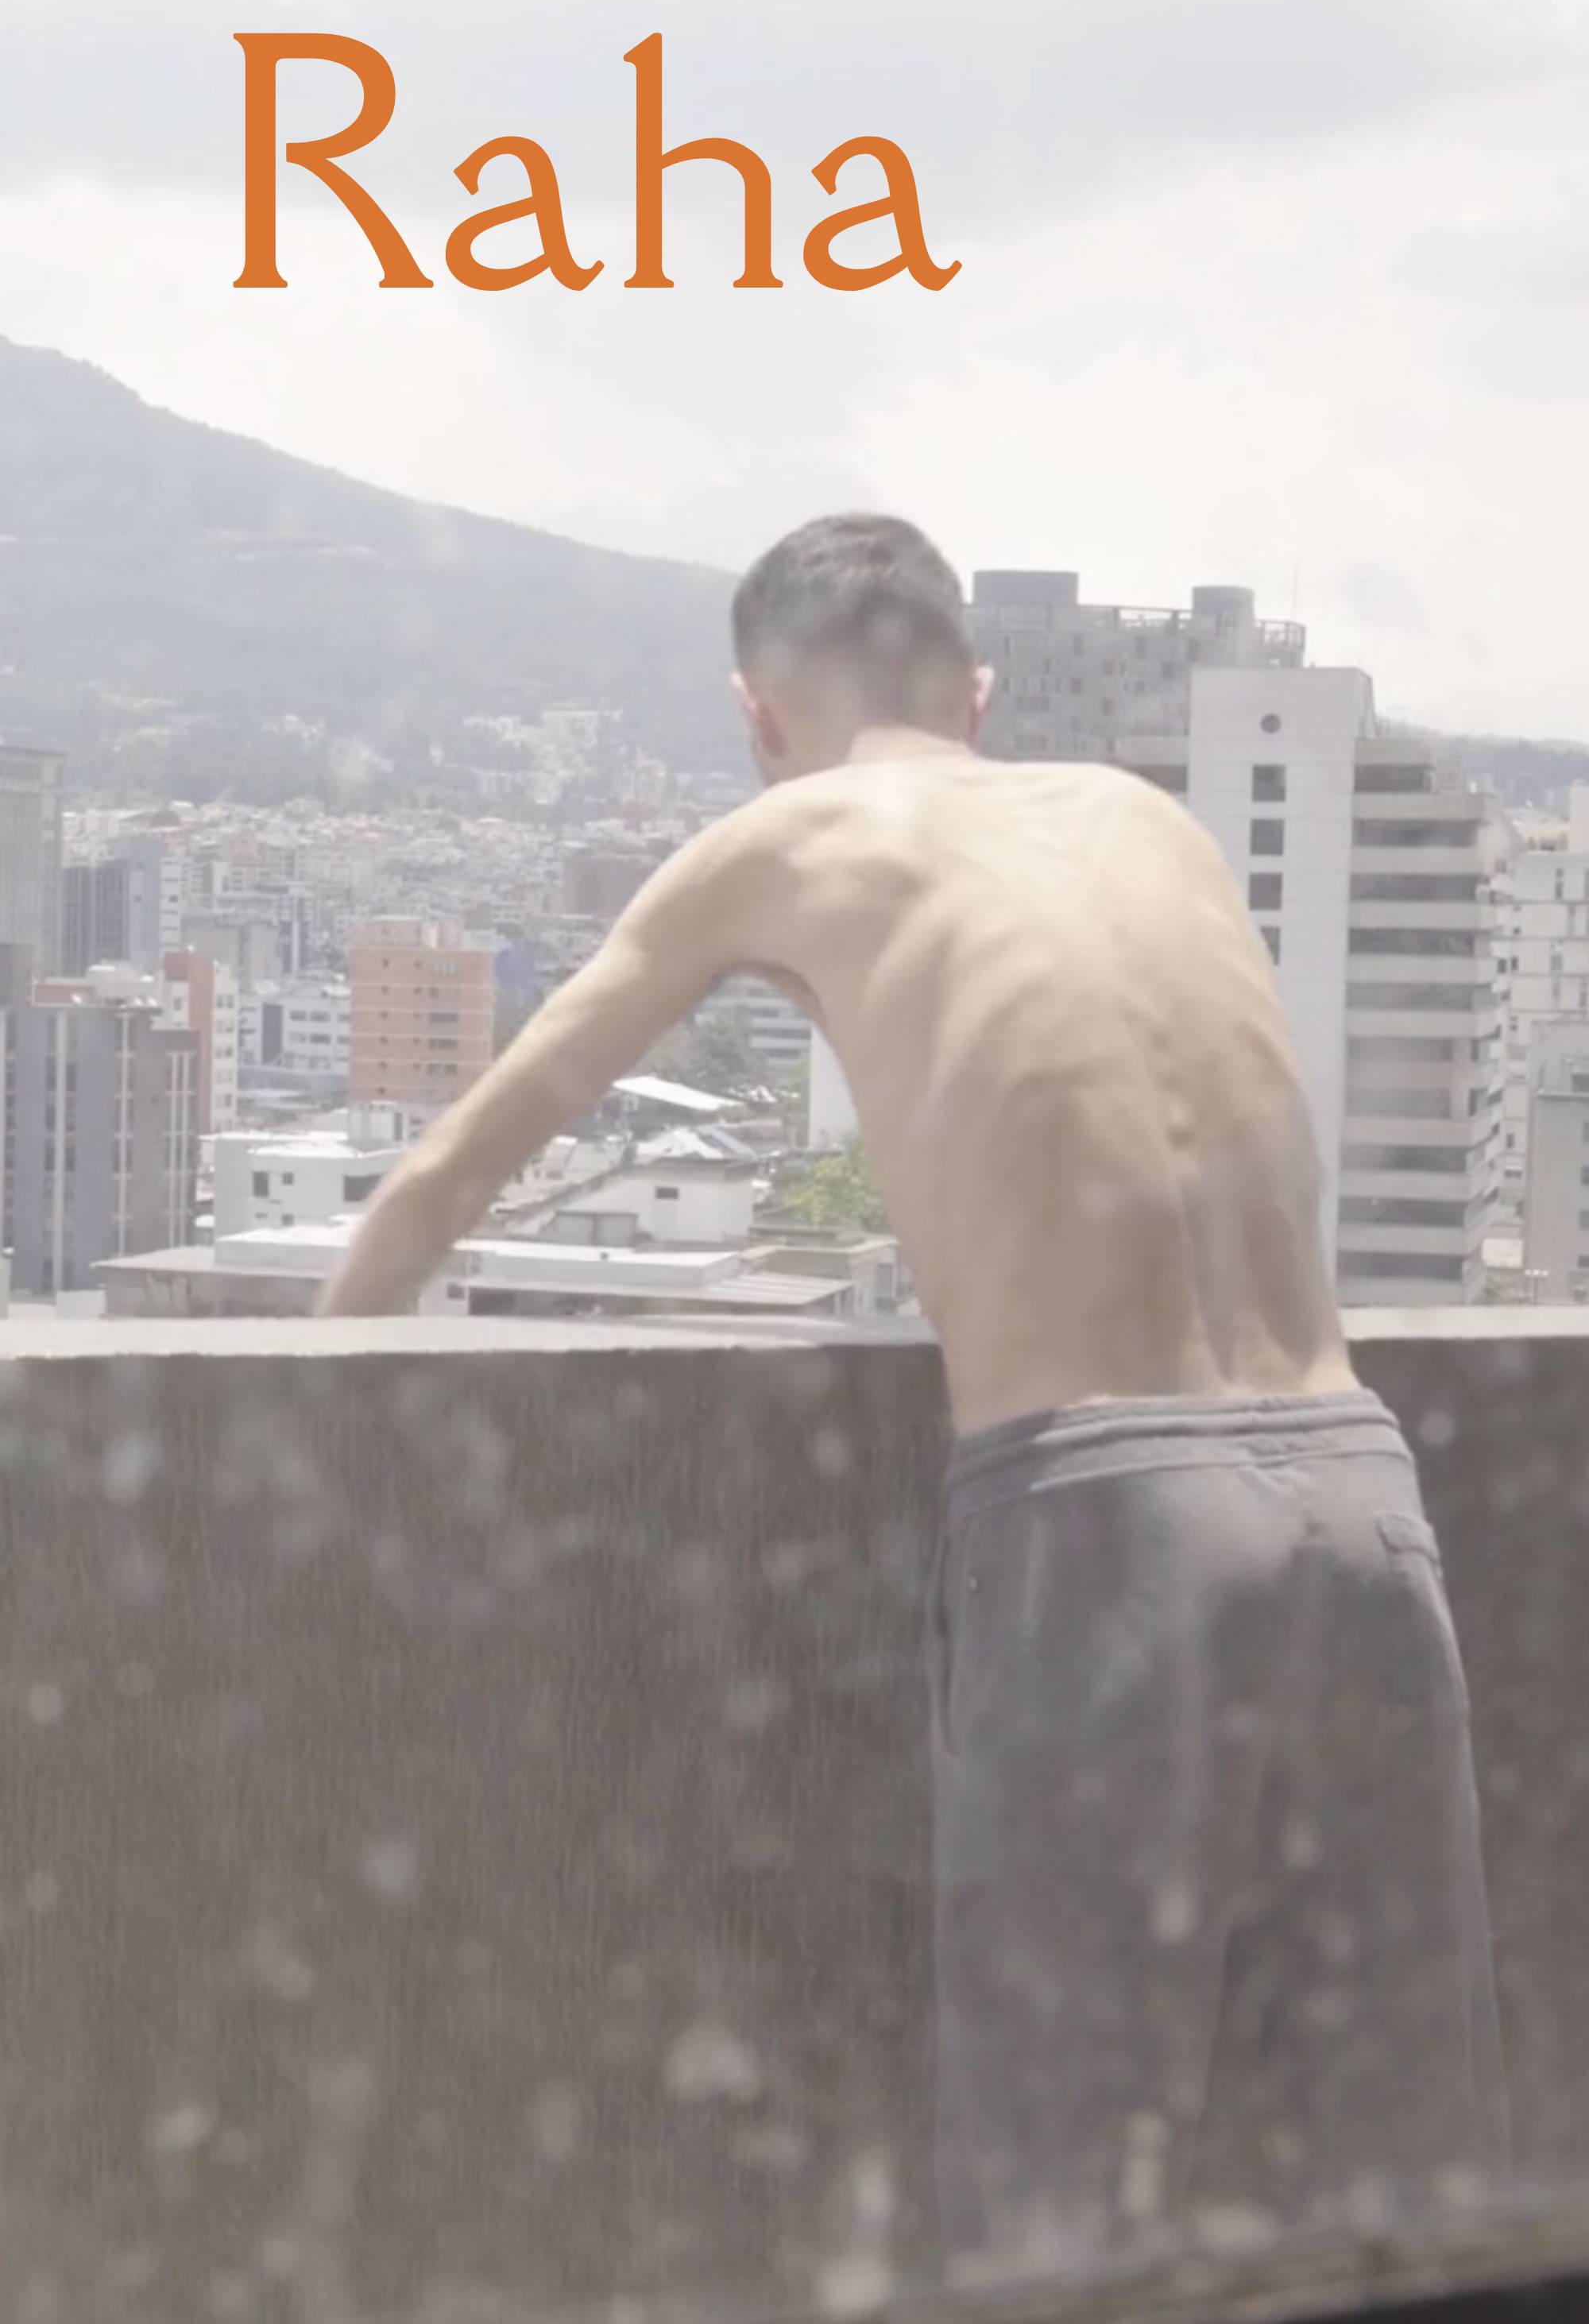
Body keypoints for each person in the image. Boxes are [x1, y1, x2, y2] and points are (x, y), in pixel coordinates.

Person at [319, 513, 1507, 2266]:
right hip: (1365, 1500)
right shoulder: (1149, 822)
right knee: (1409, 2192)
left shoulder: (781, 838)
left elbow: (440, 1184)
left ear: (759, 714)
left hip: (1109, 1521)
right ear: (978, 692)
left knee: (1067, 2207)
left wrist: (318, 1423)